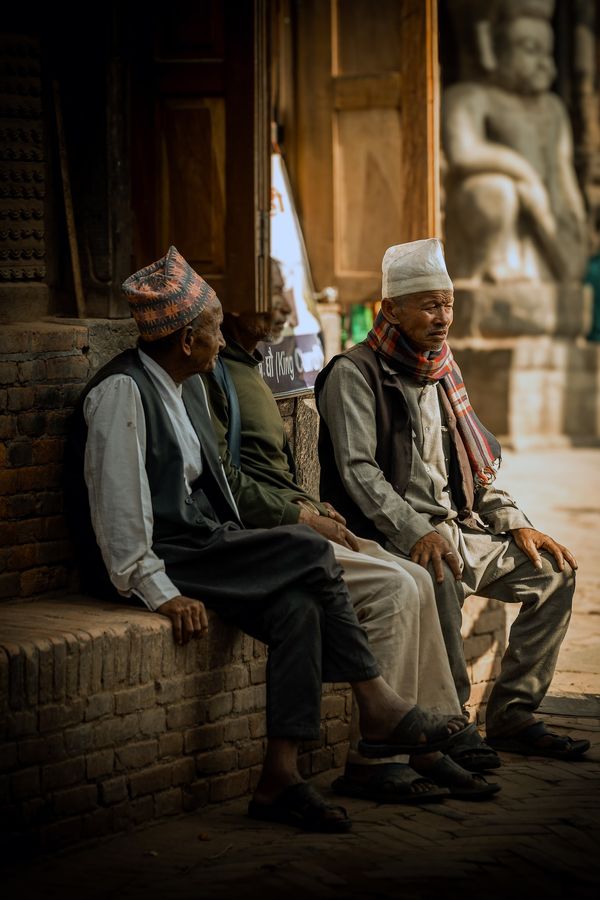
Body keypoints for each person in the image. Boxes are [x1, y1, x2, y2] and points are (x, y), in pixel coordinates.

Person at [64, 245, 480, 834]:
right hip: (167, 557)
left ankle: (279, 779)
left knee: (298, 608)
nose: (221, 339)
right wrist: (160, 593)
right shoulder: (123, 394)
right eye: (212, 328)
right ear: (186, 340)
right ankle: (377, 703)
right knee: (306, 550)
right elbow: (120, 514)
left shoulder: (180, 387)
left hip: (204, 544)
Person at [202, 261, 501, 803]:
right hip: (263, 533)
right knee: (399, 584)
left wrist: (309, 505)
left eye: (446, 305)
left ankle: (426, 744)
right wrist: (302, 515)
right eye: (275, 296)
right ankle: (373, 756)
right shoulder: (218, 377)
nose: (289, 310)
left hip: (304, 519)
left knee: (417, 576)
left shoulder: (248, 369)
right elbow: (226, 480)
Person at [315, 238, 590, 761]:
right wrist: (417, 531)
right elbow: (358, 474)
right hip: (394, 537)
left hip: (461, 529)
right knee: (435, 570)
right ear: (391, 310)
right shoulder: (354, 373)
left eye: (447, 304)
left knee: (555, 573)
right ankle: (449, 724)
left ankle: (513, 712)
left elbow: (474, 470)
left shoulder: (442, 370)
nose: (442, 317)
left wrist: (514, 522)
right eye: (428, 305)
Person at [443, 2, 587, 283]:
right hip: (501, 213)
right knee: (495, 190)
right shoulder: (469, 97)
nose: (543, 62)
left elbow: (562, 170)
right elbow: (464, 153)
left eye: (546, 52)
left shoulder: (553, 109)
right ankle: (493, 264)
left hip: (541, 207)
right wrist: (523, 171)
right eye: (530, 48)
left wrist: (566, 216)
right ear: (492, 49)